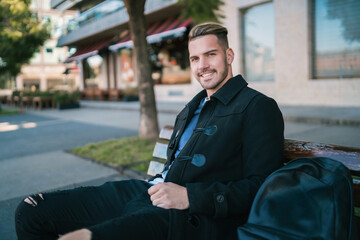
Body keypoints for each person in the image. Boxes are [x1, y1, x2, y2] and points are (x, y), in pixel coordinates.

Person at [15, 22, 284, 240]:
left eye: (210, 54)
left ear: (228, 56)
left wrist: (189, 196)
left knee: (85, 238)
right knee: (30, 211)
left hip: (193, 217)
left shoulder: (257, 107)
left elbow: (263, 188)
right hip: (148, 193)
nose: (202, 65)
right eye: (194, 58)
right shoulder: (195, 106)